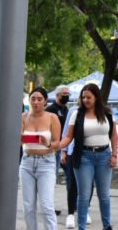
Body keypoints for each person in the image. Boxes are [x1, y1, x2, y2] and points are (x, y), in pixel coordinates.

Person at [60, 83, 118, 230]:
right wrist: (58, 146)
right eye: (83, 97)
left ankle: (107, 225)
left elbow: (114, 135)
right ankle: (82, 227)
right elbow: (68, 137)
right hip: (84, 157)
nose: (85, 100)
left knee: (104, 195)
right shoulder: (77, 114)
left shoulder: (108, 114)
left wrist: (114, 155)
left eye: (89, 97)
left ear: (96, 97)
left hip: (104, 156)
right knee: (84, 195)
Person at [20, 86, 62, 230]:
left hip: (47, 162)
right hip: (27, 162)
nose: (36, 102)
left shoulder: (52, 117)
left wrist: (48, 143)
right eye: (33, 99)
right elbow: (18, 139)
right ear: (29, 100)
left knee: (46, 204)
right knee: (28, 205)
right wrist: (20, 138)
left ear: (45, 102)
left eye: (39, 99)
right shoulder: (23, 117)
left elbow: (57, 143)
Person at [47, 85, 75, 225]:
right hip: (54, 149)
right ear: (58, 95)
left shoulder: (67, 110)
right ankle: (49, 206)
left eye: (68, 94)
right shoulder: (50, 110)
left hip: (65, 148)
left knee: (70, 177)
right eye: (65, 94)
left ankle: (72, 204)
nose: (67, 96)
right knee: (51, 178)